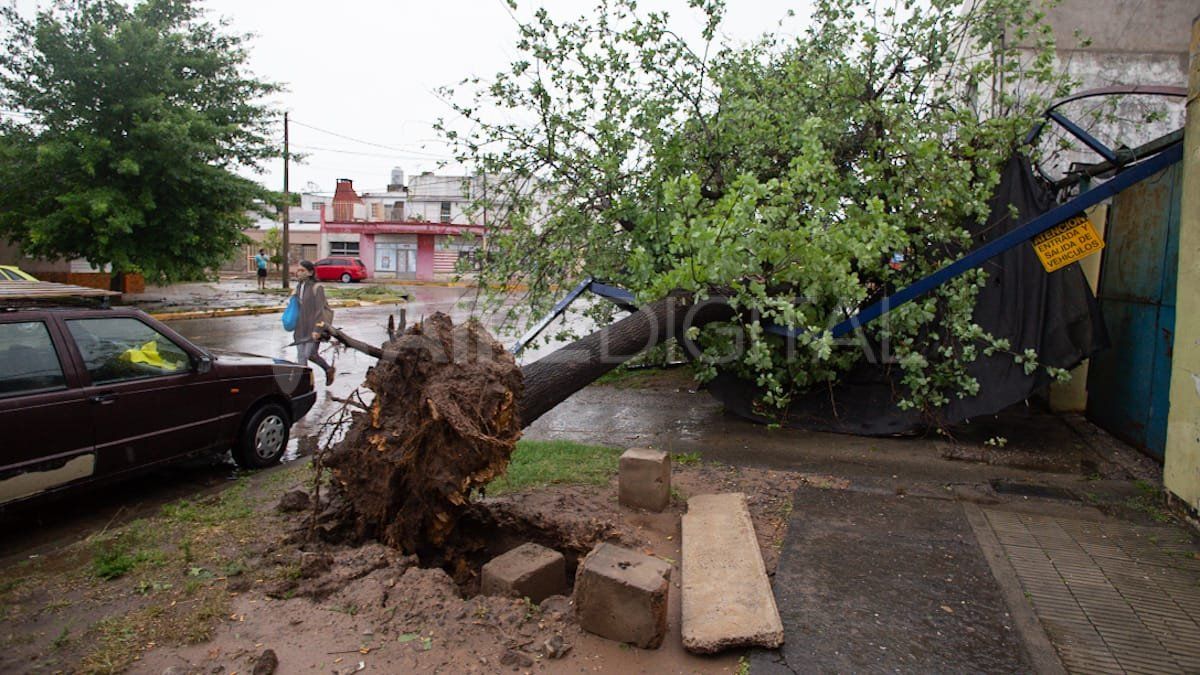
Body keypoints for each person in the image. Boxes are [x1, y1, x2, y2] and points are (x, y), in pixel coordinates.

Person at [292, 260, 336, 385]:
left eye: (302, 270)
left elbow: (320, 310)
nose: (298, 273)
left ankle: (328, 369)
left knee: (309, 354)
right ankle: (304, 385)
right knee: (301, 357)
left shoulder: (317, 288)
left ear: (310, 272)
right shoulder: (299, 286)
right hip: (300, 327)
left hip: (313, 327)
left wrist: (317, 329)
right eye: (298, 270)